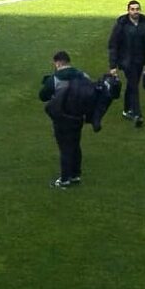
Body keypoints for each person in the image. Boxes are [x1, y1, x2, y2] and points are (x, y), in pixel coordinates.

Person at [39, 50, 92, 187]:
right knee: (75, 144)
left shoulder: (55, 78)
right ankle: (75, 174)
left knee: (64, 147)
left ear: (58, 62)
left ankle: (65, 178)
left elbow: (43, 95)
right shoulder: (83, 75)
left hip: (62, 117)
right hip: (78, 116)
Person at [106, 0, 145, 127]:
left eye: (137, 9)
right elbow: (113, 45)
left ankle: (126, 110)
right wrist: (113, 66)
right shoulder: (121, 25)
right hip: (127, 61)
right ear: (128, 10)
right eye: (133, 9)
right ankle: (137, 114)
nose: (135, 11)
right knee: (134, 85)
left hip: (139, 60)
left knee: (131, 84)